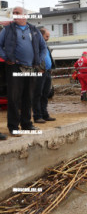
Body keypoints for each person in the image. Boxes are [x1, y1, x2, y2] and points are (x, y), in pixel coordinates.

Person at [0, 7, 47, 136]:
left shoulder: (34, 30)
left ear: (25, 15)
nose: (15, 15)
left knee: (28, 96)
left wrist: (38, 59)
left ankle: (27, 124)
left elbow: (43, 48)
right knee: (14, 98)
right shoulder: (7, 30)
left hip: (31, 67)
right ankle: (14, 127)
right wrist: (5, 57)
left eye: (17, 13)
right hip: (14, 67)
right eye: (13, 13)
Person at [32, 28, 56, 123]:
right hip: (39, 72)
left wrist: (50, 69)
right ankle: (37, 116)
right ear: (40, 35)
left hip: (46, 72)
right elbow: (32, 59)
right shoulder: (35, 46)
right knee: (37, 94)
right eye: (46, 36)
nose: (48, 38)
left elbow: (48, 58)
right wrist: (38, 69)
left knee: (45, 94)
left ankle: (44, 115)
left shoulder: (45, 46)